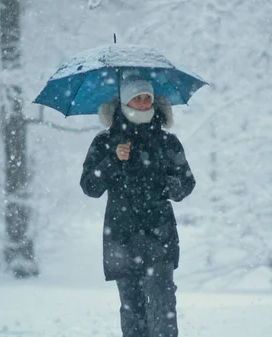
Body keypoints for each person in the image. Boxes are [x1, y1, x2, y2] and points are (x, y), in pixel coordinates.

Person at [80, 72, 196, 337]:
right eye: (137, 98)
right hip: (122, 237)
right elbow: (90, 186)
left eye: (147, 98)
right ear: (124, 102)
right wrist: (112, 159)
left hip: (160, 235)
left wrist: (160, 182)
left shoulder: (167, 142)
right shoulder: (105, 142)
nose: (144, 103)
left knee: (163, 306)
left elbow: (186, 183)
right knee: (132, 310)